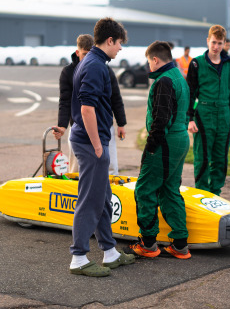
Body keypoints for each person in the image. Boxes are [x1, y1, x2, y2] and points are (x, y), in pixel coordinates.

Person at [68, 18, 135, 277]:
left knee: (104, 198)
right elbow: (86, 108)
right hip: (89, 141)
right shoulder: (95, 65)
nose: (120, 49)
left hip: (90, 139)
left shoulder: (94, 62)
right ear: (110, 40)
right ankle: (79, 258)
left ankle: (110, 252)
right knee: (90, 200)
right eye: (119, 44)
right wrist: (97, 145)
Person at [128, 41, 191, 259]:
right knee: (169, 189)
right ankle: (180, 244)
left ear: (155, 59)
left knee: (144, 189)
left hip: (165, 141)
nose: (149, 66)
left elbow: (161, 119)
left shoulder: (163, 81)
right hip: (180, 138)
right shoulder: (178, 77)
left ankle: (147, 243)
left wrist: (151, 147)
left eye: (149, 62)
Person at [53, 35, 127, 176]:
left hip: (104, 127)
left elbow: (116, 98)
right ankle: (76, 194)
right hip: (79, 126)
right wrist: (62, 125)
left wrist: (121, 123)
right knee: (77, 168)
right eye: (85, 54)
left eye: (90, 54)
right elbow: (65, 100)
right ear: (77, 53)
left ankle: (110, 195)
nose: (87, 58)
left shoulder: (104, 69)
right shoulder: (68, 72)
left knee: (109, 167)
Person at [187, 25, 230, 196]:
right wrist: (189, 118)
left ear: (224, 43)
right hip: (204, 112)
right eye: (213, 42)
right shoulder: (196, 63)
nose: (216, 46)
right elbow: (190, 93)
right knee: (202, 157)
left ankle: (216, 193)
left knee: (220, 157)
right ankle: (203, 194)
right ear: (207, 41)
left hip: (224, 114)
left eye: (219, 43)